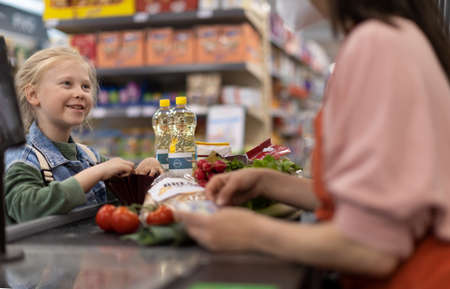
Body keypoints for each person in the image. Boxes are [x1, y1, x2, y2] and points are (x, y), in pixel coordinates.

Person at [176, 0, 450, 288]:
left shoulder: (376, 44)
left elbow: (371, 249)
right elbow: (377, 198)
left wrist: (250, 232)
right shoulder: (397, 36)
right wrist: (267, 183)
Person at [4, 47, 163, 224]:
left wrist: (144, 170)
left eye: (85, 86)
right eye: (66, 83)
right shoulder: (23, 158)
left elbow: (125, 193)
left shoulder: (89, 157)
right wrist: (95, 174)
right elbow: (26, 209)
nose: (80, 93)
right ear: (33, 94)